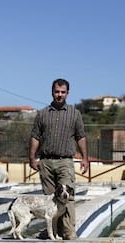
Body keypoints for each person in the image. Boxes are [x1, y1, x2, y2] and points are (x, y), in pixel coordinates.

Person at [29, 78, 89, 240]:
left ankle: (68, 231)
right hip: (46, 162)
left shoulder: (74, 114)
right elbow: (35, 137)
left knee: (67, 197)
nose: (59, 95)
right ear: (52, 92)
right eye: (57, 92)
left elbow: (81, 136)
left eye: (63, 92)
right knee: (49, 199)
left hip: (65, 161)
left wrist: (85, 158)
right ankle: (52, 232)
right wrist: (32, 157)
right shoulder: (42, 114)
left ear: (67, 94)